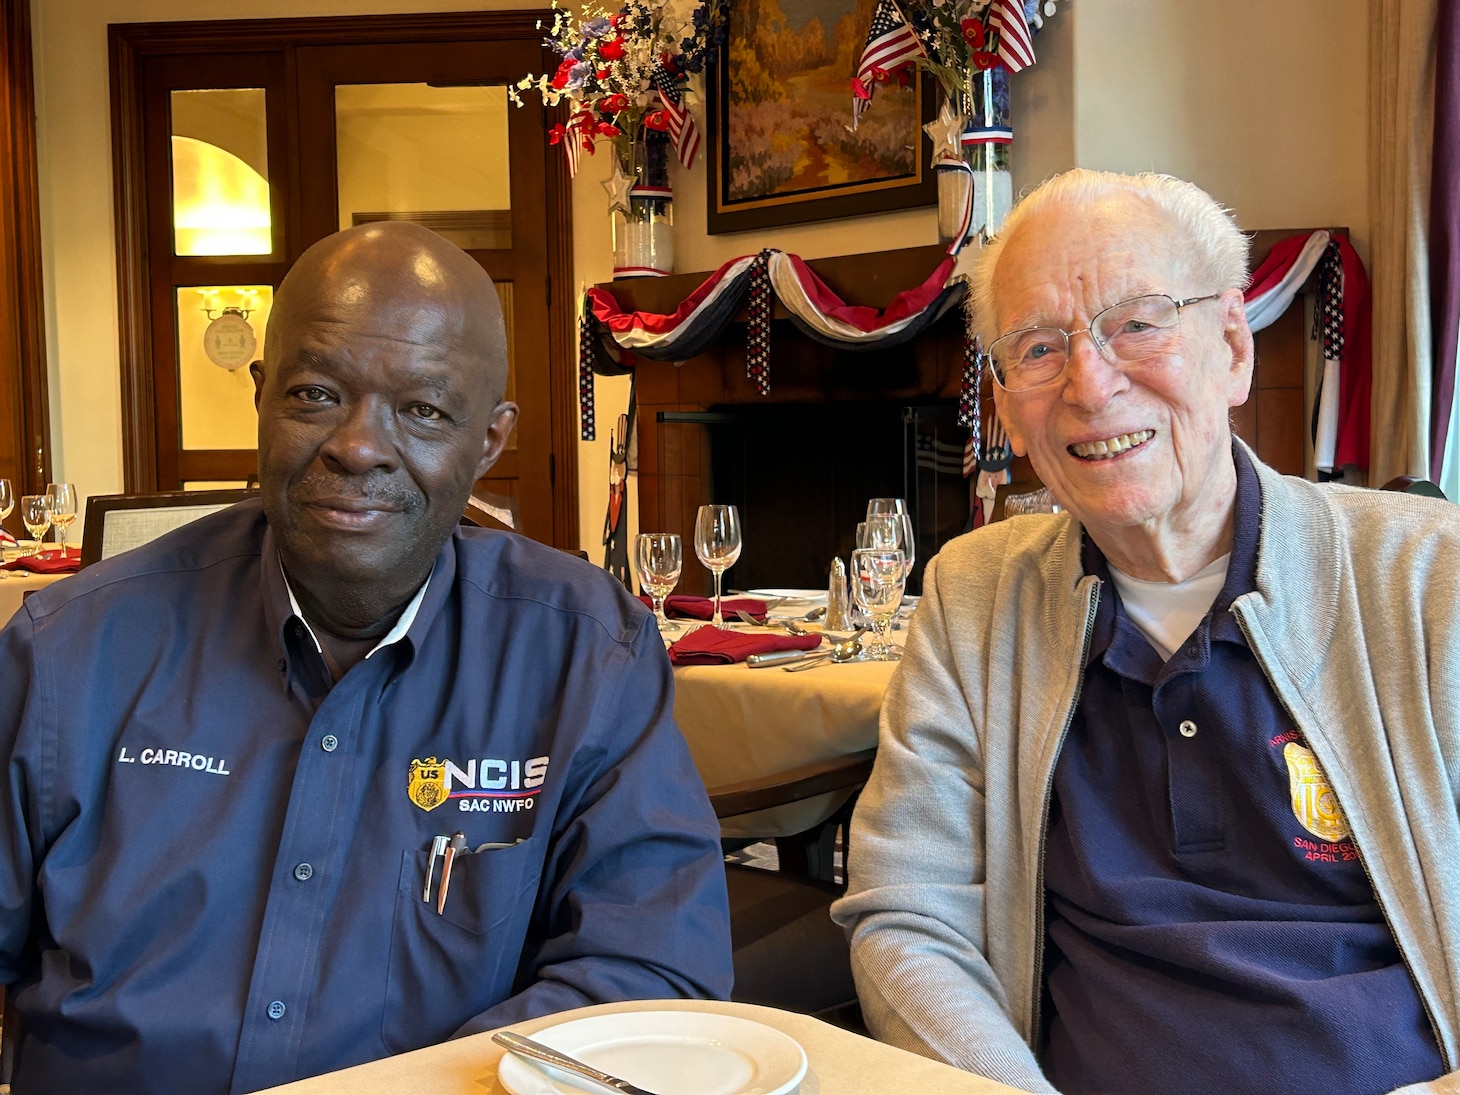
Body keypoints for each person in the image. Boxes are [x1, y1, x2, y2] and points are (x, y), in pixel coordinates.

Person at [0, 222, 732, 1093]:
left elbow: (653, 977)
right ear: (262, 397)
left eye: (422, 410)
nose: (357, 445)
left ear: (490, 441)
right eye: (314, 394)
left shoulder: (584, 656)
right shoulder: (69, 651)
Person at [833, 170, 1460, 1095]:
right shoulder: (974, 598)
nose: (1091, 382)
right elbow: (907, 916)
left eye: (1138, 323)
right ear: (1007, 406)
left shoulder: (1427, 578)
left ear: (1234, 348)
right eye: (1040, 348)